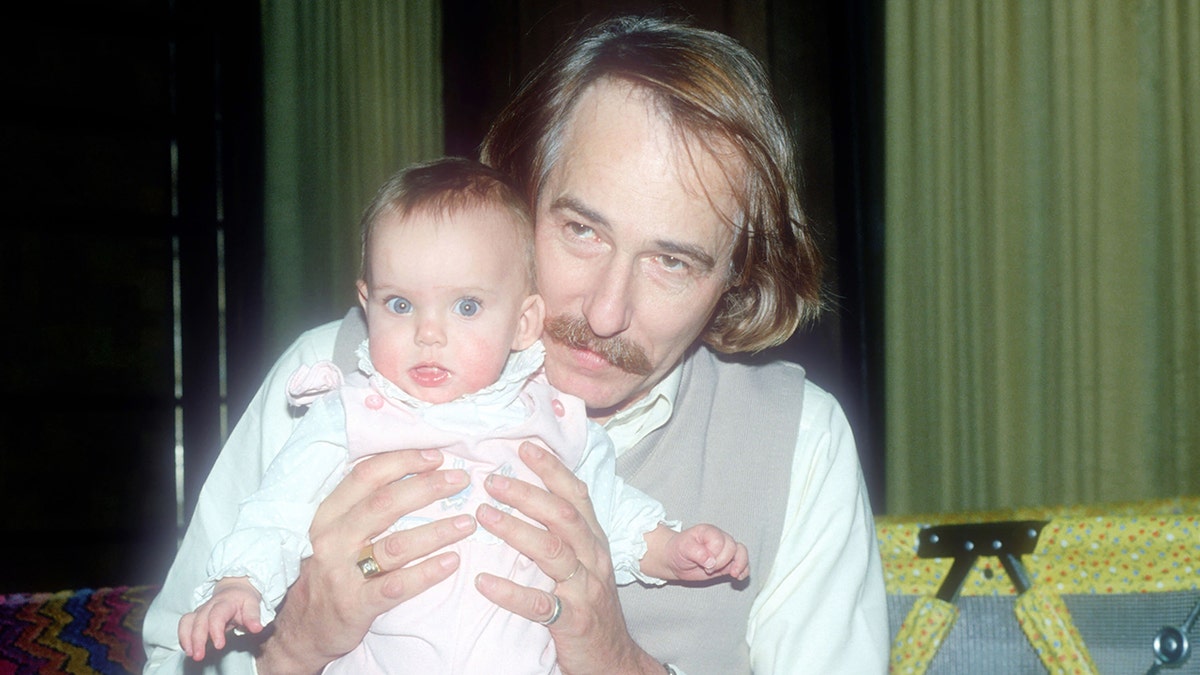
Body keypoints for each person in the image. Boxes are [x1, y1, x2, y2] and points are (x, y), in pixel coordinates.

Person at [144, 14, 888, 674]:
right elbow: (172, 653)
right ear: (520, 189)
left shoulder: (797, 440)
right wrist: (292, 650)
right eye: (581, 229)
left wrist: (620, 664)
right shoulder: (331, 379)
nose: (604, 312)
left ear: (732, 280)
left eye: (673, 261)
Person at [175, 158, 749, 673]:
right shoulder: (348, 414)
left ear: (524, 322)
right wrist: (237, 583)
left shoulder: (553, 417)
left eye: (467, 306)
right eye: (400, 304)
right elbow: (276, 511)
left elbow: (609, 515)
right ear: (367, 303)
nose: (428, 333)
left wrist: (671, 551)